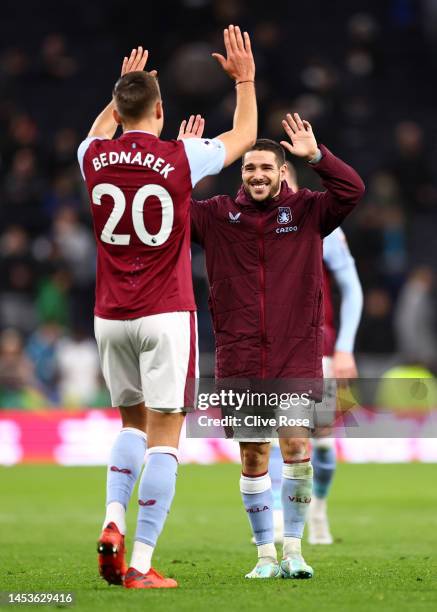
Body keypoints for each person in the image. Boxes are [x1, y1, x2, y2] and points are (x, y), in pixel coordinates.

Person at [77, 26, 257, 589]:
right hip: (165, 312)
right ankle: (140, 561)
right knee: (166, 433)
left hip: (110, 316)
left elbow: (99, 129)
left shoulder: (92, 156)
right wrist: (245, 79)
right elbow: (246, 135)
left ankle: (112, 521)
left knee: (130, 424)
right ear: (160, 110)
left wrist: (123, 89)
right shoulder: (181, 155)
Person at [184, 114, 365, 579]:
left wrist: (319, 157)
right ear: (239, 173)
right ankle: (264, 555)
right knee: (253, 456)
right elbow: (165, 211)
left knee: (297, 446)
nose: (257, 175)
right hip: (240, 354)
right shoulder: (217, 215)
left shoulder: (308, 211)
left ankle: (294, 550)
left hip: (296, 353)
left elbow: (352, 191)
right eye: (249, 168)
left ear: (282, 170)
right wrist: (184, 165)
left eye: (266, 167)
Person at [267, 159, 363, 545]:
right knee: (278, 435)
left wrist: (344, 348)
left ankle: (319, 509)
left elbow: (352, 288)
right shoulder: (249, 226)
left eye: (281, 178)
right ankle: (278, 513)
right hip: (271, 349)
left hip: (316, 349)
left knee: (320, 441)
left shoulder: (321, 225)